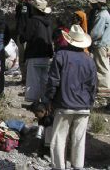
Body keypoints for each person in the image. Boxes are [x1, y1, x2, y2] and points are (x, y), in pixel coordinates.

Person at [43, 25, 97, 170]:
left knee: (59, 138)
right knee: (79, 139)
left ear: (69, 40)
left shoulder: (60, 56)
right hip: (84, 106)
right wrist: (90, 103)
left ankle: (59, 166)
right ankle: (77, 166)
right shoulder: (89, 60)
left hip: (64, 104)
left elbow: (53, 81)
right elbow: (93, 86)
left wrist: (48, 100)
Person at [23, 0, 53, 102]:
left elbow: (27, 36)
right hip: (46, 54)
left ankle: (33, 101)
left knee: (33, 79)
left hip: (35, 54)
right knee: (44, 79)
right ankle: (45, 100)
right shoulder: (48, 22)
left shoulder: (33, 21)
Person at [89, 0, 110, 94]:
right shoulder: (105, 13)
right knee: (103, 65)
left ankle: (103, 88)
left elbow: (97, 32)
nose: (92, 5)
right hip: (105, 43)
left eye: (94, 3)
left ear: (99, 4)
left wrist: (88, 38)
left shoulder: (102, 15)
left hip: (100, 44)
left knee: (101, 66)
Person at [13, 0, 32, 84]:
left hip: (27, 36)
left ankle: (29, 78)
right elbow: (18, 20)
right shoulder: (18, 6)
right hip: (20, 35)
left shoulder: (29, 6)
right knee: (21, 58)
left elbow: (31, 21)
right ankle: (24, 78)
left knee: (27, 58)